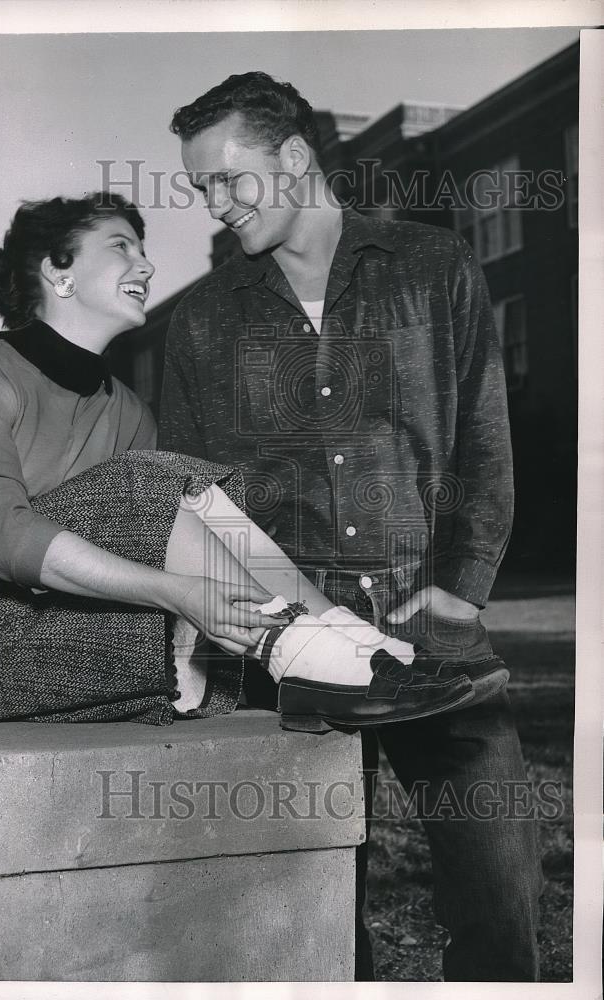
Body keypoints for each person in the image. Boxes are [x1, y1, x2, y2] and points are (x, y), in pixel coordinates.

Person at [159, 73, 542, 980]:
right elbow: (193, 496)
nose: (212, 204)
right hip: (288, 659)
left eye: (227, 179)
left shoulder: (433, 266)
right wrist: (235, 634)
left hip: (435, 640)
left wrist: (458, 590)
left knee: (504, 910)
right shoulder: (202, 321)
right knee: (314, 935)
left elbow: (484, 448)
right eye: (199, 187)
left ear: (294, 158)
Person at [0, 193, 480, 730]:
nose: (146, 265)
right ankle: (306, 652)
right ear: (58, 274)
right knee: (159, 491)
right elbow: (1, 535)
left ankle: (335, 643)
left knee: (205, 670)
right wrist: (177, 591)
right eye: (121, 247)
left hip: (29, 630)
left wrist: (303, 619)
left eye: (143, 251)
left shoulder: (124, 409)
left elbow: (193, 530)